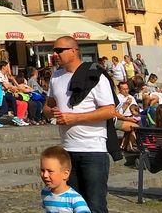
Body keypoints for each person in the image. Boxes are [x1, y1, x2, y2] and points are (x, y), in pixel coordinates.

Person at [45, 36, 118, 213]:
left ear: (73, 51)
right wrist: (50, 113)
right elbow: (47, 106)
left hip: (93, 149)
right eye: (54, 51)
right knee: (71, 204)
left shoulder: (95, 76)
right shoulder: (56, 77)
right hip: (68, 149)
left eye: (59, 50)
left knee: (95, 205)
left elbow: (109, 111)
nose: (55, 54)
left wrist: (75, 118)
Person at [40, 145, 92, 213]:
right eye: (42, 170)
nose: (45, 175)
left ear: (65, 174)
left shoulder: (75, 199)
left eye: (50, 171)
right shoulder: (45, 192)